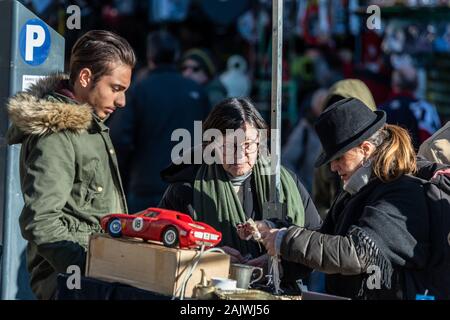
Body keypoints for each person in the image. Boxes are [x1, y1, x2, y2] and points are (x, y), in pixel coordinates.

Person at [260, 98, 434, 299]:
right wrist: (277, 265)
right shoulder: (358, 190)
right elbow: (327, 240)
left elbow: (357, 252)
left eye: (339, 158)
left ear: (366, 150)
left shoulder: (400, 192)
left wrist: (285, 240)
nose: (333, 168)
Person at [6, 30, 135, 299]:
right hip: (72, 287)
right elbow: (40, 221)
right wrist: (88, 267)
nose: (122, 101)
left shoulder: (91, 127)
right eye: (115, 89)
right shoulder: (57, 134)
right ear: (86, 77)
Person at [159, 98, 321, 278]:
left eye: (248, 145)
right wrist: (208, 257)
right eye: (229, 146)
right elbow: (160, 248)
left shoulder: (283, 183)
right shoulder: (186, 190)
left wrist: (280, 264)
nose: (239, 156)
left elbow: (316, 243)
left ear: (260, 140)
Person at [108, 31, 211, 212]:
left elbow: (118, 138)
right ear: (177, 56)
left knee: (141, 238)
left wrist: (125, 172)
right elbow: (211, 139)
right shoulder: (197, 92)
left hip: (146, 185)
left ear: (149, 57)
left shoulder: (139, 90)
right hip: (188, 186)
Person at [312, 79, 377, 219]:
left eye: (340, 157)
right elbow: (319, 200)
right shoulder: (326, 156)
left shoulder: (388, 162)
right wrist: (331, 218)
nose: (333, 166)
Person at [379, 64, 441, 150]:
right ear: (417, 84)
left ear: (394, 83)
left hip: (400, 160)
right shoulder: (428, 108)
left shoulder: (386, 109)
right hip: (430, 159)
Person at [282, 88, 328, 192]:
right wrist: (301, 190)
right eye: (322, 104)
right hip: (309, 194)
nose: (325, 107)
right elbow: (286, 161)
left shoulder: (334, 129)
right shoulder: (304, 129)